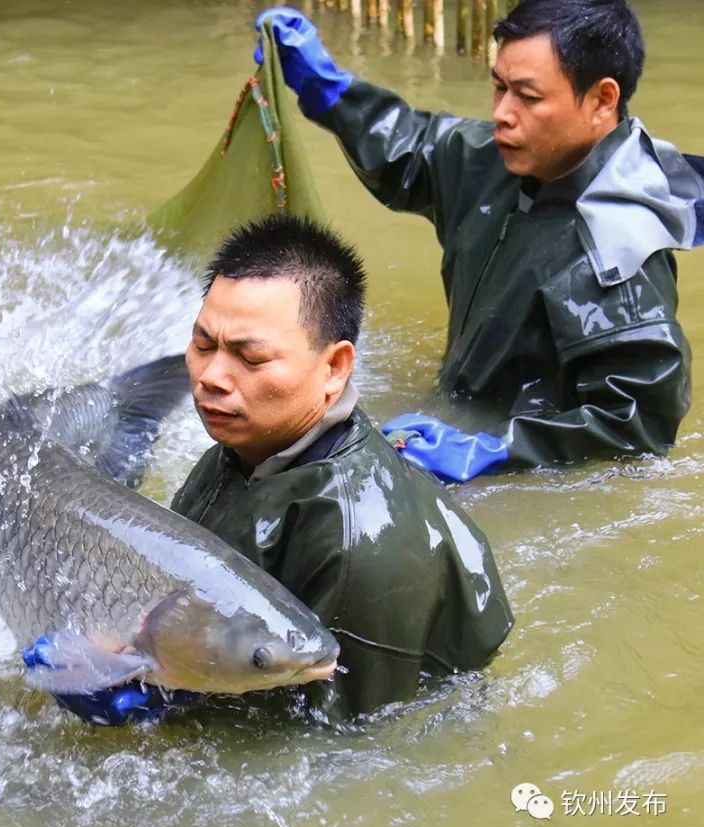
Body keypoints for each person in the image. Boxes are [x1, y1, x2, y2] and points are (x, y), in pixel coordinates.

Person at [30, 213, 514, 724]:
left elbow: (341, 752)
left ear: (334, 368)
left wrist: (166, 709)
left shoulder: (361, 546)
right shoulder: (253, 441)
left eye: (250, 358)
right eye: (203, 344)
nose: (212, 376)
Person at [254, 0, 704, 482]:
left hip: (517, 476)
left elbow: (636, 428)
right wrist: (329, 90)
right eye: (498, 87)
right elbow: (412, 150)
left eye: (528, 97)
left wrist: (490, 452)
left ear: (602, 100)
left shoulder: (617, 251)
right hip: (458, 406)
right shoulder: (504, 158)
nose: (503, 113)